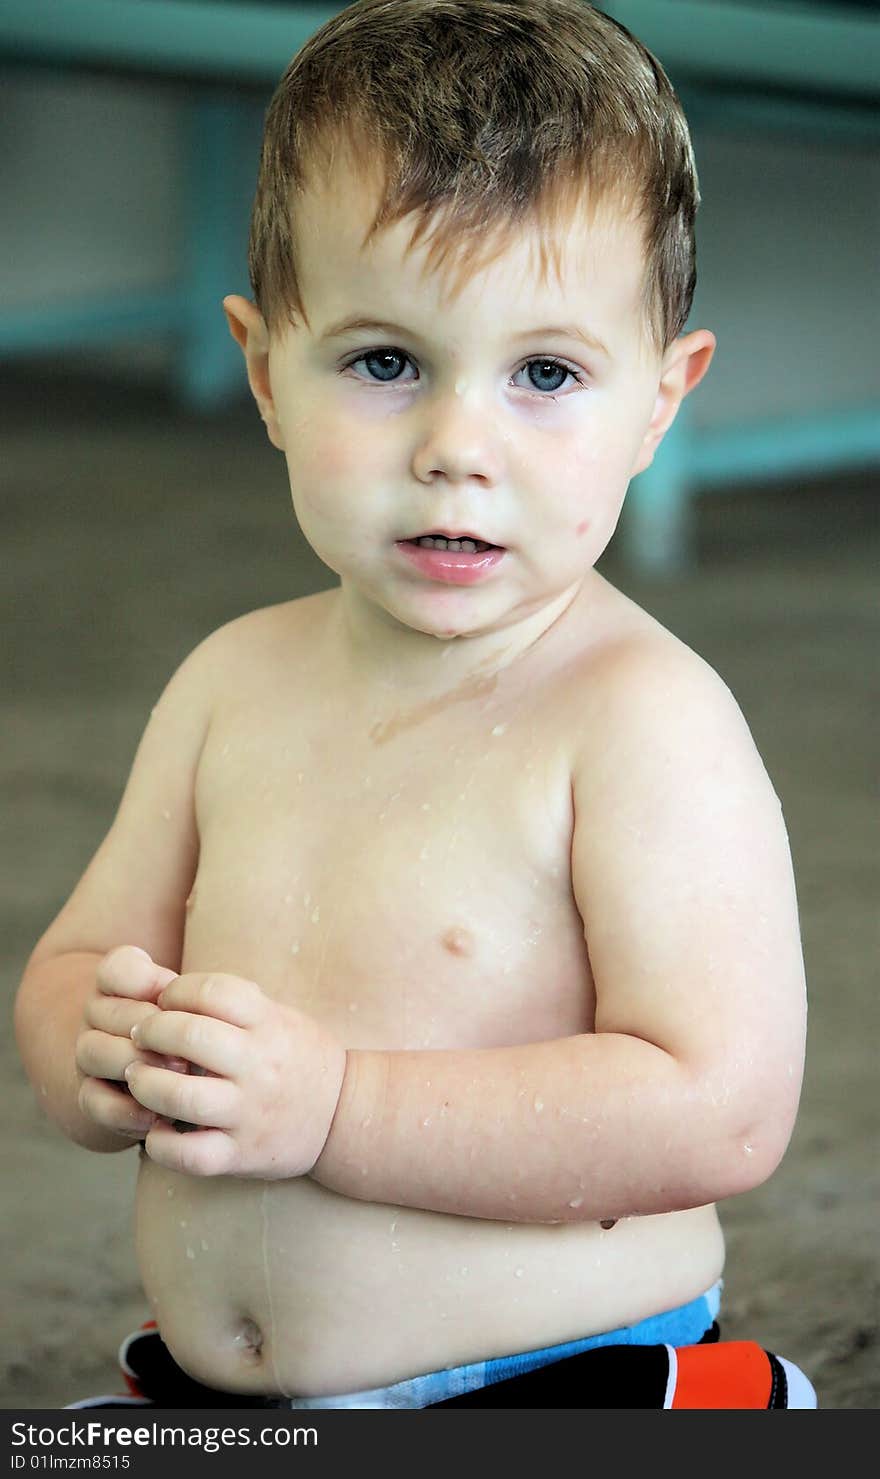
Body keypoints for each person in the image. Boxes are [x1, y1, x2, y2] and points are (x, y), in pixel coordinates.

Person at [14, 0, 815, 1409]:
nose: (459, 449)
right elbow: (83, 956)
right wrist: (95, 1043)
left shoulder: (642, 722)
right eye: (385, 363)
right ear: (267, 372)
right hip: (223, 1398)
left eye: (547, 375)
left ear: (660, 401)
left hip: (564, 1383)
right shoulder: (231, 680)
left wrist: (337, 1110)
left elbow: (721, 1110)